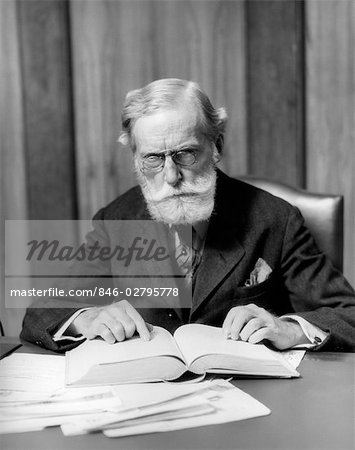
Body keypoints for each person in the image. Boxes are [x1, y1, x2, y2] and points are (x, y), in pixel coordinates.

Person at [21, 78, 355, 352]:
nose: (171, 176)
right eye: (153, 158)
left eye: (185, 154)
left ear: (217, 146)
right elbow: (41, 311)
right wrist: (86, 318)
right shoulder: (115, 221)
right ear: (136, 160)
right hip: (147, 404)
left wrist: (289, 328)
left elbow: (348, 314)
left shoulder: (276, 219)